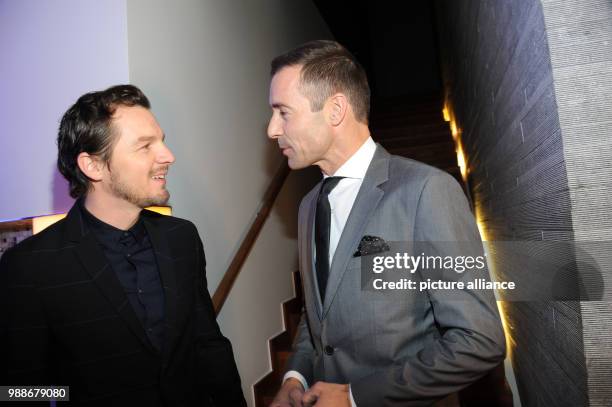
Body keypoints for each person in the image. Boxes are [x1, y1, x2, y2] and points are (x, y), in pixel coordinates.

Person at [267, 40, 506, 406]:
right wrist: (294, 375)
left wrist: (355, 397)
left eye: (283, 112)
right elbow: (319, 314)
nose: (271, 129)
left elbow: (480, 340)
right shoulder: (307, 207)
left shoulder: (428, 191)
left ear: (335, 110)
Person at [0, 85, 246, 406]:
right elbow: (19, 391)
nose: (167, 156)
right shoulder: (29, 266)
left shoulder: (181, 237)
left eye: (162, 140)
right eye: (145, 146)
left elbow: (208, 344)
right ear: (93, 166)